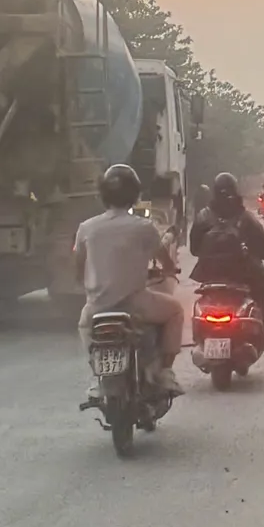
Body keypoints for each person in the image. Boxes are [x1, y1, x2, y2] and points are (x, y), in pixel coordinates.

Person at [72, 163, 185, 398]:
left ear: (103, 194)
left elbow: (78, 267)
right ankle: (165, 372)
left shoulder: (86, 228)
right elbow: (165, 261)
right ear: (135, 194)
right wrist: (169, 269)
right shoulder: (143, 227)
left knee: (84, 325)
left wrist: (86, 282)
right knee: (175, 311)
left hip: (97, 307)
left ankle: (98, 377)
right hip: (135, 304)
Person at [190, 172, 264, 336]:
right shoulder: (246, 218)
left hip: (209, 278)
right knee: (259, 287)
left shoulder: (203, 216)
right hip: (242, 276)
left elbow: (194, 250)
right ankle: (261, 330)